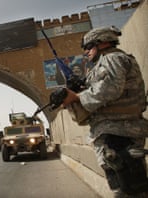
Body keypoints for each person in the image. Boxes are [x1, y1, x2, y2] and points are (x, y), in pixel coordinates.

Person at [62, 26, 148, 197]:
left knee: (130, 188)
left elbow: (110, 89)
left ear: (102, 43)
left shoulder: (112, 58)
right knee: (122, 186)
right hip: (113, 130)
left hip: (119, 130)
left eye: (88, 47)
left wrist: (77, 98)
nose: (86, 52)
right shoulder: (104, 64)